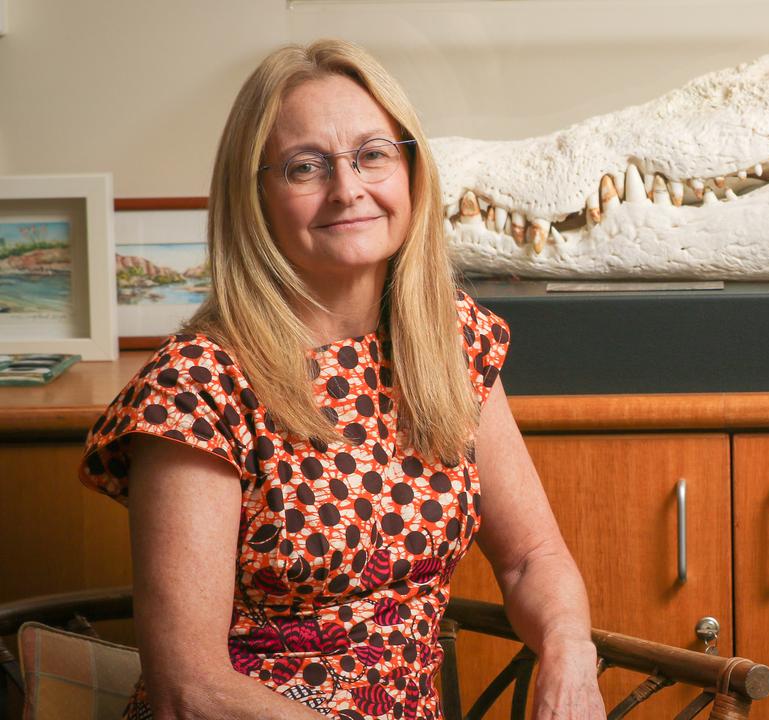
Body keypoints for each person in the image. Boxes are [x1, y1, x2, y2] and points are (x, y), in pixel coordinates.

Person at [79, 39, 606, 720]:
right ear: (256, 196)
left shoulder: (449, 340)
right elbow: (191, 690)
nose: (348, 188)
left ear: (411, 171)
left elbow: (531, 559)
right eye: (306, 167)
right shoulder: (197, 385)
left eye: (372, 155)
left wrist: (569, 656)